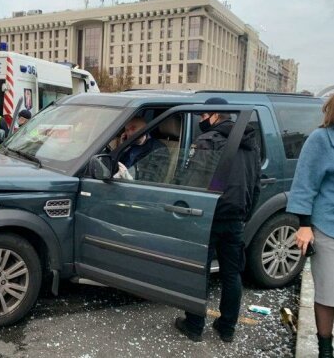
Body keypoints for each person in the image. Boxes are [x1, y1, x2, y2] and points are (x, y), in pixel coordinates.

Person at [174, 97, 261, 343]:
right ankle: (227, 328)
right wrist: (245, 214)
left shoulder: (207, 141)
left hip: (208, 215)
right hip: (236, 216)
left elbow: (192, 181)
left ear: (214, 115)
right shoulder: (250, 143)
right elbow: (255, 184)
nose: (201, 121)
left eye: (203, 117)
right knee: (232, 274)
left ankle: (193, 325)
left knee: (198, 270)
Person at [288, 94, 334, 358]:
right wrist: (304, 225)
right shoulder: (322, 140)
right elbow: (305, 183)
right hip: (328, 226)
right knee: (329, 292)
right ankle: (325, 349)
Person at [110, 117, 169, 183]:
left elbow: (151, 181)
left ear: (144, 129)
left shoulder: (158, 149)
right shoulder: (129, 145)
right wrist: (122, 148)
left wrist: (128, 177)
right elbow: (111, 164)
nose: (129, 133)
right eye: (127, 130)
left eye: (133, 128)